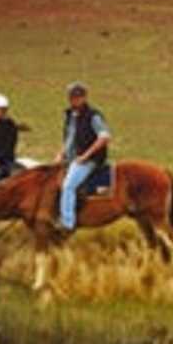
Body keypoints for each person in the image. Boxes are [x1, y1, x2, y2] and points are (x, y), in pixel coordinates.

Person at [54, 82, 112, 233]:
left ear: (84, 98)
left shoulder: (93, 116)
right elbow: (68, 139)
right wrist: (60, 154)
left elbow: (104, 137)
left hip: (89, 160)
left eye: (77, 97)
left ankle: (68, 222)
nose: (74, 100)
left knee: (68, 186)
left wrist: (86, 156)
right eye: (72, 97)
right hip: (71, 158)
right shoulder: (70, 115)